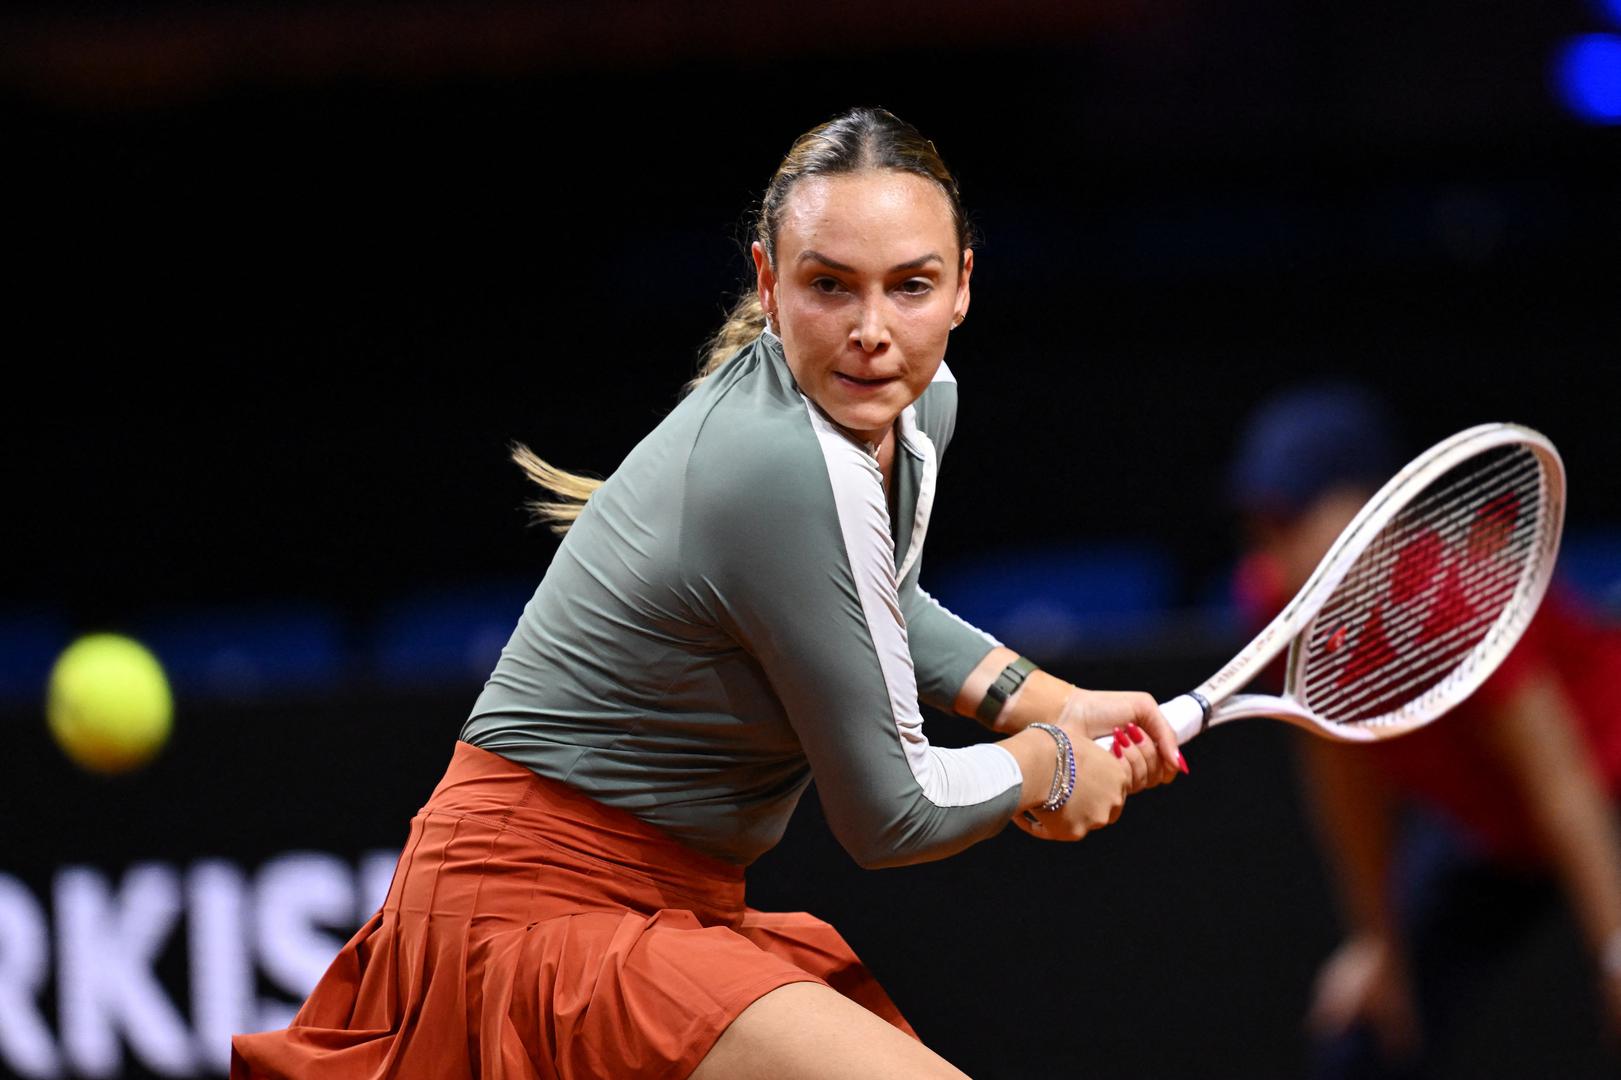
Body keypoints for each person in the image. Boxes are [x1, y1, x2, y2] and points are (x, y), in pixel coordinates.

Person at [231, 107, 1188, 1080]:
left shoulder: (914, 405)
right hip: (532, 912)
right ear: (768, 283)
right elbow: (892, 813)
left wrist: (1054, 702)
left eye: (910, 286)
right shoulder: (779, 466)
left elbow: (880, 608)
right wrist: (1048, 766)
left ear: (961, 288)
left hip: (673, 901)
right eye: (828, 285)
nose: (871, 332)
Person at [1227, 385, 1621, 1079]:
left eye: (1292, 521)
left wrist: (1615, 951)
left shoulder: (1456, 592)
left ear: (1373, 509)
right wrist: (1377, 941)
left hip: (1601, 792)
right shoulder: (1275, 602)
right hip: (1489, 835)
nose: (1274, 553)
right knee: (1363, 1037)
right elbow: (1343, 774)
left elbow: (1562, 784)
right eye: (1262, 529)